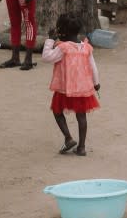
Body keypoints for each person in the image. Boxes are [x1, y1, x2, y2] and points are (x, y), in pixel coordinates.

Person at [41, 13, 100, 156]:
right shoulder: (86, 47)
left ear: (63, 31)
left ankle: (68, 138)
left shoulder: (63, 48)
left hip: (64, 88)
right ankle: (81, 147)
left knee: (57, 111)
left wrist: (49, 40)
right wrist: (96, 83)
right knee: (81, 116)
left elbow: (46, 57)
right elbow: (93, 66)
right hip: (83, 88)